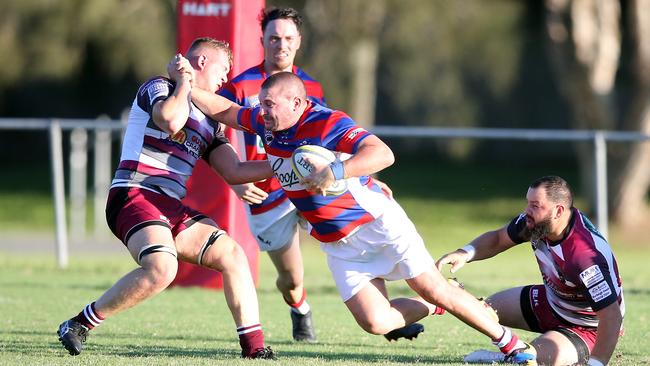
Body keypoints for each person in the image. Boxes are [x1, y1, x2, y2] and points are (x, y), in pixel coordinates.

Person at [177, 66, 538, 364]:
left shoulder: (324, 122)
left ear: (298, 103)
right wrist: (184, 84)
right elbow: (224, 111)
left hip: (376, 225)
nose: (263, 111)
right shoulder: (266, 122)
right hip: (337, 245)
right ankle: (434, 305)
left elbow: (382, 154)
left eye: (270, 105)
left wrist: (335, 171)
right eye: (262, 105)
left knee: (433, 286)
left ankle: (512, 346)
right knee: (376, 322)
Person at [56, 38, 275, 359]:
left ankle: (255, 351)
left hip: (168, 206)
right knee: (162, 267)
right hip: (135, 193)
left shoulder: (211, 122)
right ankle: (78, 324)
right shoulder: (159, 86)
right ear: (200, 61)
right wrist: (184, 83)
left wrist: (285, 163)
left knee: (232, 255)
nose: (226, 79)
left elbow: (235, 170)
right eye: (223, 69)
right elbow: (170, 120)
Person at [218, 6, 404, 343]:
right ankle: (300, 307)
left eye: (288, 38)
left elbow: (331, 141)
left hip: (314, 189)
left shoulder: (311, 87)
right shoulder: (241, 86)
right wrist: (236, 181)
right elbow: (214, 135)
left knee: (361, 245)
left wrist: (364, 178)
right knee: (291, 279)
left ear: (299, 41)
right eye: (274, 38)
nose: (281, 45)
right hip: (267, 195)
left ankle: (388, 315)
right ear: (261, 39)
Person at [437, 176, 624, 366]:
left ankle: (504, 357)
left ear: (558, 211)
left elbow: (611, 317)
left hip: (587, 327)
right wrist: (464, 253)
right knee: (482, 311)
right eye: (528, 203)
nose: (527, 210)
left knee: (531, 358)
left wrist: (596, 363)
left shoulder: (584, 256)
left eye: (535, 205)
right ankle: (445, 297)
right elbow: (498, 239)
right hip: (551, 301)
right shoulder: (537, 222)